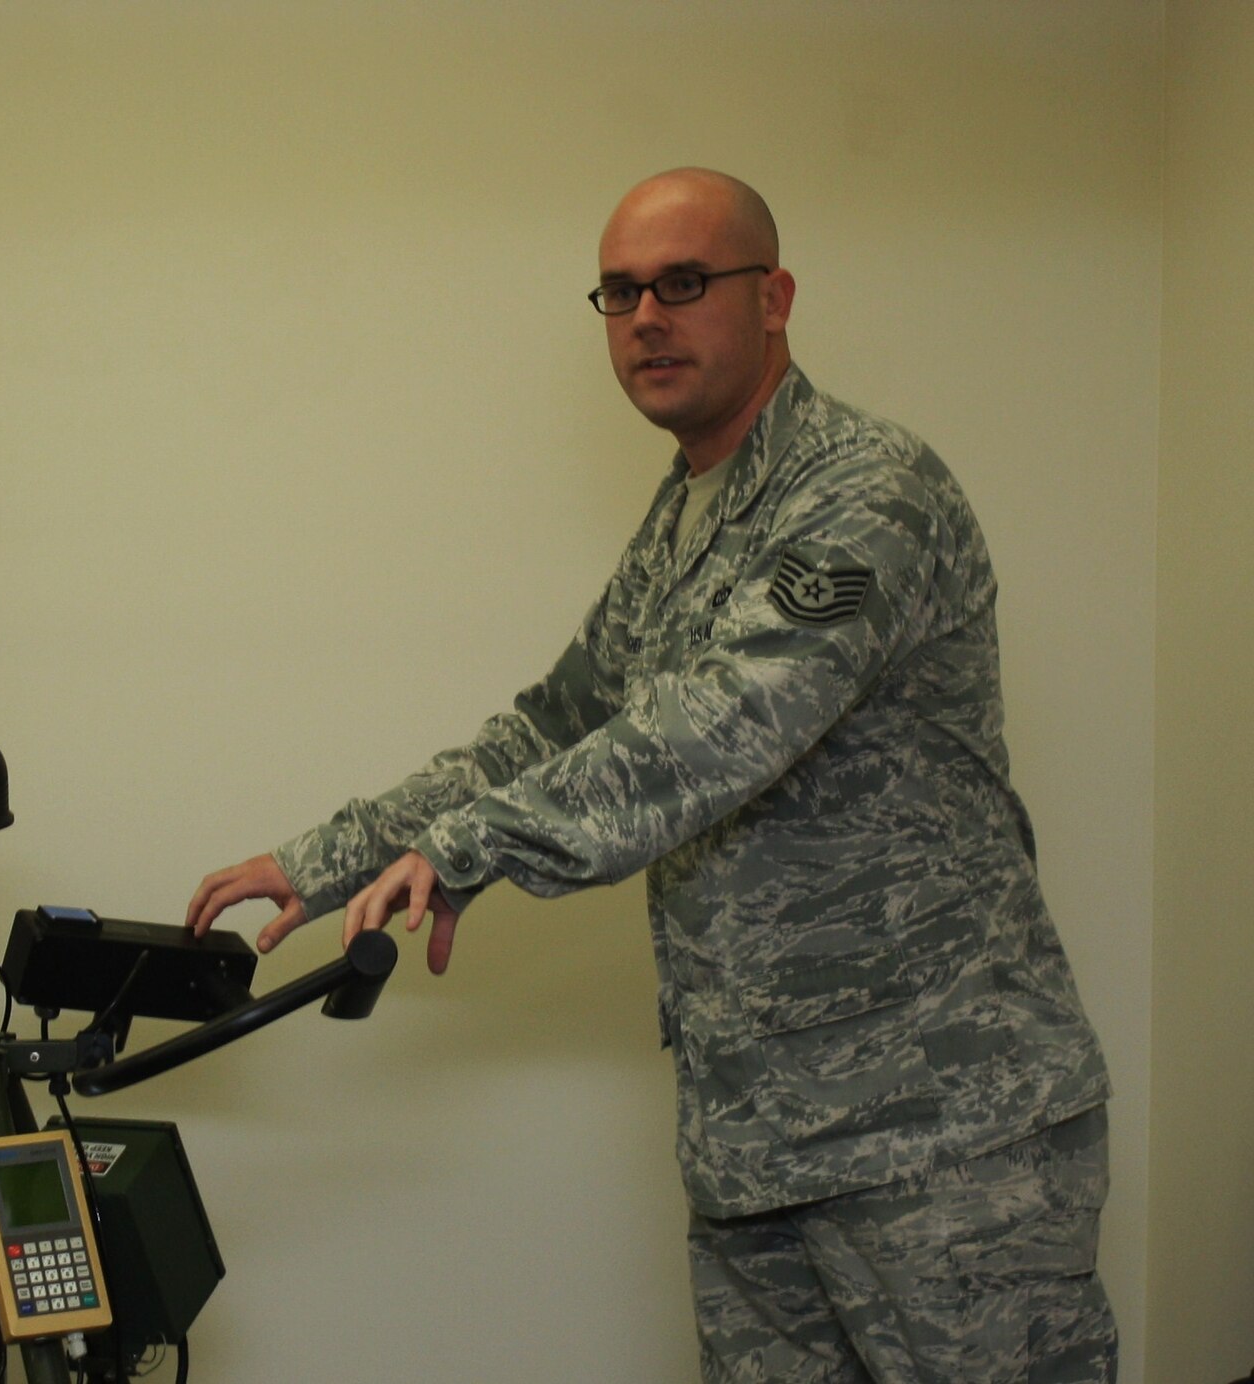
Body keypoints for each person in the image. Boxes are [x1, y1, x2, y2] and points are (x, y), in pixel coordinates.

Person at [185, 169, 1116, 1383]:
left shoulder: (862, 489)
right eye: (618, 292)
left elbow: (710, 729)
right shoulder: (687, 515)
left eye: (682, 283)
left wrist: (465, 848)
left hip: (940, 1141)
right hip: (757, 1145)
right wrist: (330, 856)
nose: (644, 319)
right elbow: (554, 727)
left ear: (772, 297)